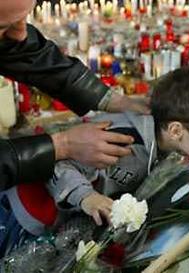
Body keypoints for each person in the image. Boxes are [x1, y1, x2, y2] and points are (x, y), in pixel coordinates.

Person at [1, 68, 189, 258]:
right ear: (175, 130)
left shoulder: (157, 141)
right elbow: (57, 162)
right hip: (23, 215)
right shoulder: (124, 143)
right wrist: (87, 197)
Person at [0, 0, 149, 190]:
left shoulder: (12, 33)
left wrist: (111, 99)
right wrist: (62, 145)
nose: (21, 34)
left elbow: (27, 53)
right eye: (4, 26)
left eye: (24, 19)